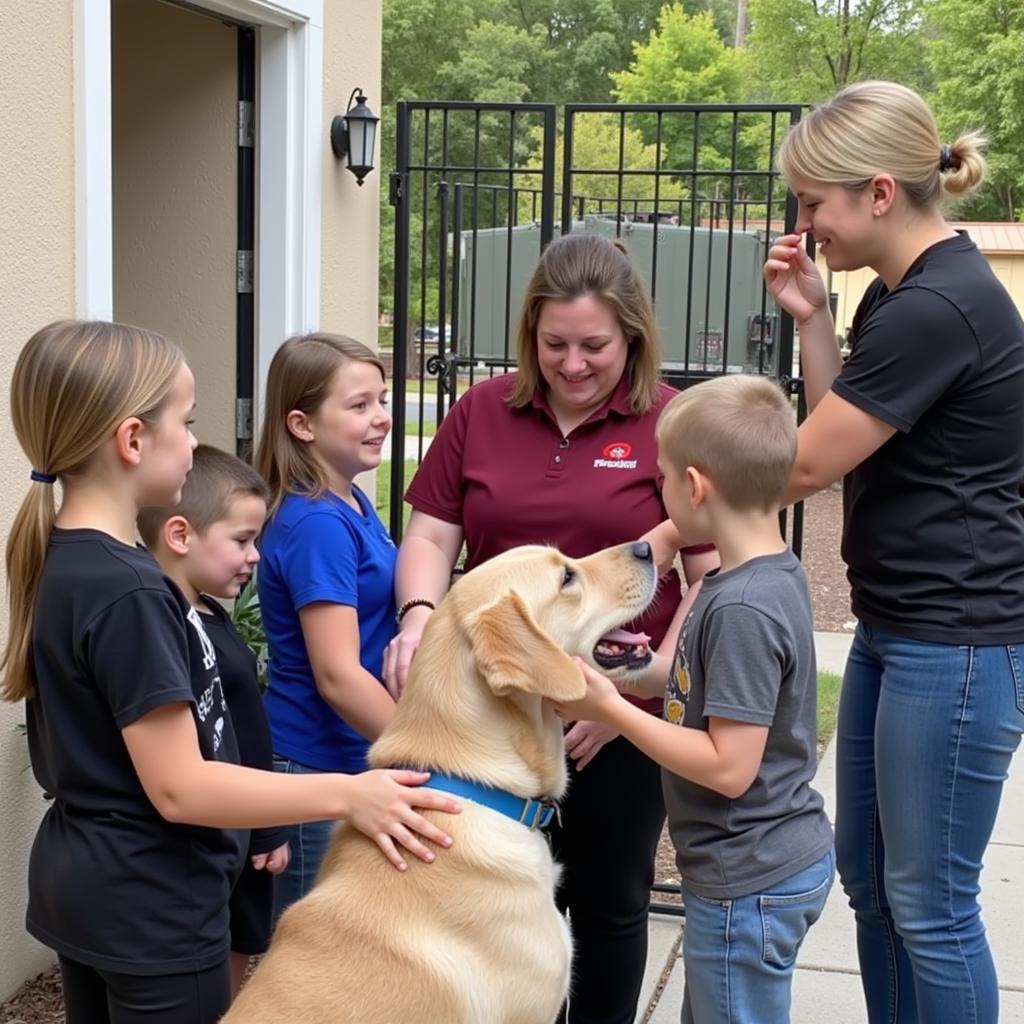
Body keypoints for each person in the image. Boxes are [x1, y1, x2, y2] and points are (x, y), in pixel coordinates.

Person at [1, 320, 459, 1024]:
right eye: (184, 422)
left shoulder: (72, 561)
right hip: (152, 901)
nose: (194, 441)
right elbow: (181, 787)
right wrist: (349, 795)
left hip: (86, 884)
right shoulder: (129, 590)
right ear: (131, 441)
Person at [383, 233, 719, 1024]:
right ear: (530, 334)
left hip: (617, 721)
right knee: (489, 910)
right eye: (555, 343)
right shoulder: (481, 411)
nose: (573, 364)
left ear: (632, 336)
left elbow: (710, 573)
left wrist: (637, 696)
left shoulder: (672, 422)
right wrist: (418, 618)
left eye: (595, 346)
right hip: (496, 715)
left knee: (608, 905)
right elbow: (432, 537)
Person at [761, 81, 1024, 1022]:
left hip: (953, 645)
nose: (805, 224)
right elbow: (844, 427)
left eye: (812, 204)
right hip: (899, 629)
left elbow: (798, 467)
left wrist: (680, 502)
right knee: (871, 885)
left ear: (879, 193)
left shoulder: (938, 308)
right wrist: (813, 319)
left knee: (932, 907)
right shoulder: (899, 294)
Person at [551, 373, 834, 1024]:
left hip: (750, 878)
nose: (660, 491)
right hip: (754, 868)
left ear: (696, 487)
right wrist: (638, 672)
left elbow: (728, 766)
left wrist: (609, 709)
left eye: (663, 478)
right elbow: (704, 685)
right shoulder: (766, 572)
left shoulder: (740, 608)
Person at [254, 332, 403, 919]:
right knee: (316, 959)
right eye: (359, 405)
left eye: (383, 400)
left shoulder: (353, 504)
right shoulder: (317, 523)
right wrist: (427, 754)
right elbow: (337, 675)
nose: (381, 419)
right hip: (315, 766)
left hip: (351, 759)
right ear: (302, 424)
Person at [137, 444, 291, 1000]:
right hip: (211, 832)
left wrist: (266, 825)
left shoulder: (209, 614)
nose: (255, 556)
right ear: (180, 536)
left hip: (241, 828)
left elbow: (244, 727)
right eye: (243, 540)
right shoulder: (163, 623)